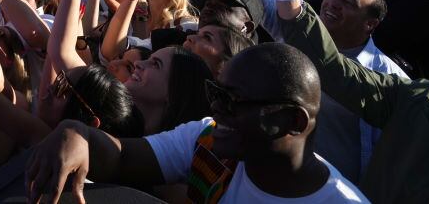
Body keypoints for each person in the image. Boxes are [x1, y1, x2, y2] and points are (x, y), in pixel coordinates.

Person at [25, 42, 368, 203]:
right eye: (216, 93)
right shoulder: (207, 138)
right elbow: (124, 157)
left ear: (293, 120)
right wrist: (78, 134)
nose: (216, 109)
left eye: (233, 101)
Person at [274, 0, 429, 204]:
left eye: (349, 3)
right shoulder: (416, 99)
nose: (334, 4)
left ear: (370, 24)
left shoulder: (390, 74)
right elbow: (333, 69)